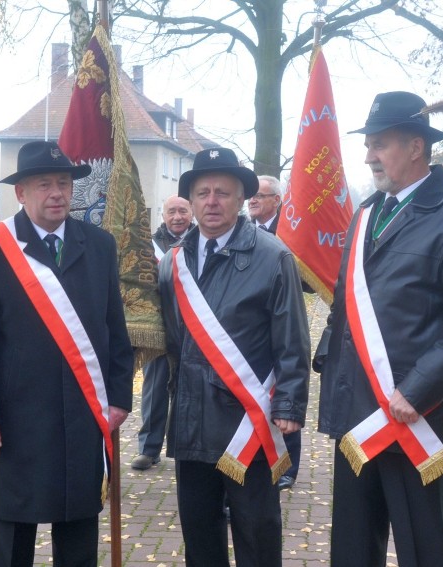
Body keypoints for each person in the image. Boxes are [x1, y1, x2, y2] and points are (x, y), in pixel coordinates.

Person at [314, 91, 443, 567]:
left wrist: (416, 390)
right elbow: (344, 302)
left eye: (380, 144)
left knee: (425, 547)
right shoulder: (364, 214)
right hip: (356, 411)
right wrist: (327, 359)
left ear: (416, 147)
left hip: (412, 416)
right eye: (369, 144)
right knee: (353, 546)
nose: (369, 156)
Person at [0, 140, 134, 567]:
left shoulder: (99, 244)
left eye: (63, 183)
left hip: (82, 412)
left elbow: (114, 329)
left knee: (77, 522)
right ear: (21, 193)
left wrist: (118, 399)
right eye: (43, 184)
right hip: (17, 416)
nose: (56, 192)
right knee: (14, 528)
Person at [158, 147, 311, 566]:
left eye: (222, 192)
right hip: (190, 419)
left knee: (257, 531)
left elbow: (292, 338)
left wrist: (290, 404)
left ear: (241, 198)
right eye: (203, 192)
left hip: (248, 422)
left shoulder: (273, 256)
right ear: (190, 200)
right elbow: (171, 338)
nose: (211, 201)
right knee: (200, 533)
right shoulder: (173, 262)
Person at [131, 194, 194, 471]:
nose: (177, 217)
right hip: (157, 326)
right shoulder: (147, 247)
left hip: (194, 327)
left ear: (191, 213)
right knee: (154, 388)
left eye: (183, 211)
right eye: (172, 212)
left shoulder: (202, 242)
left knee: (192, 388)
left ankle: (188, 446)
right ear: (163, 215)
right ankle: (149, 448)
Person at [247, 175, 300, 490]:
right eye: (250, 196)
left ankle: (288, 466)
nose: (252, 200)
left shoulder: (290, 232)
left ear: (277, 200)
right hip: (251, 328)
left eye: (259, 195)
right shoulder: (244, 229)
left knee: (283, 391)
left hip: (283, 319)